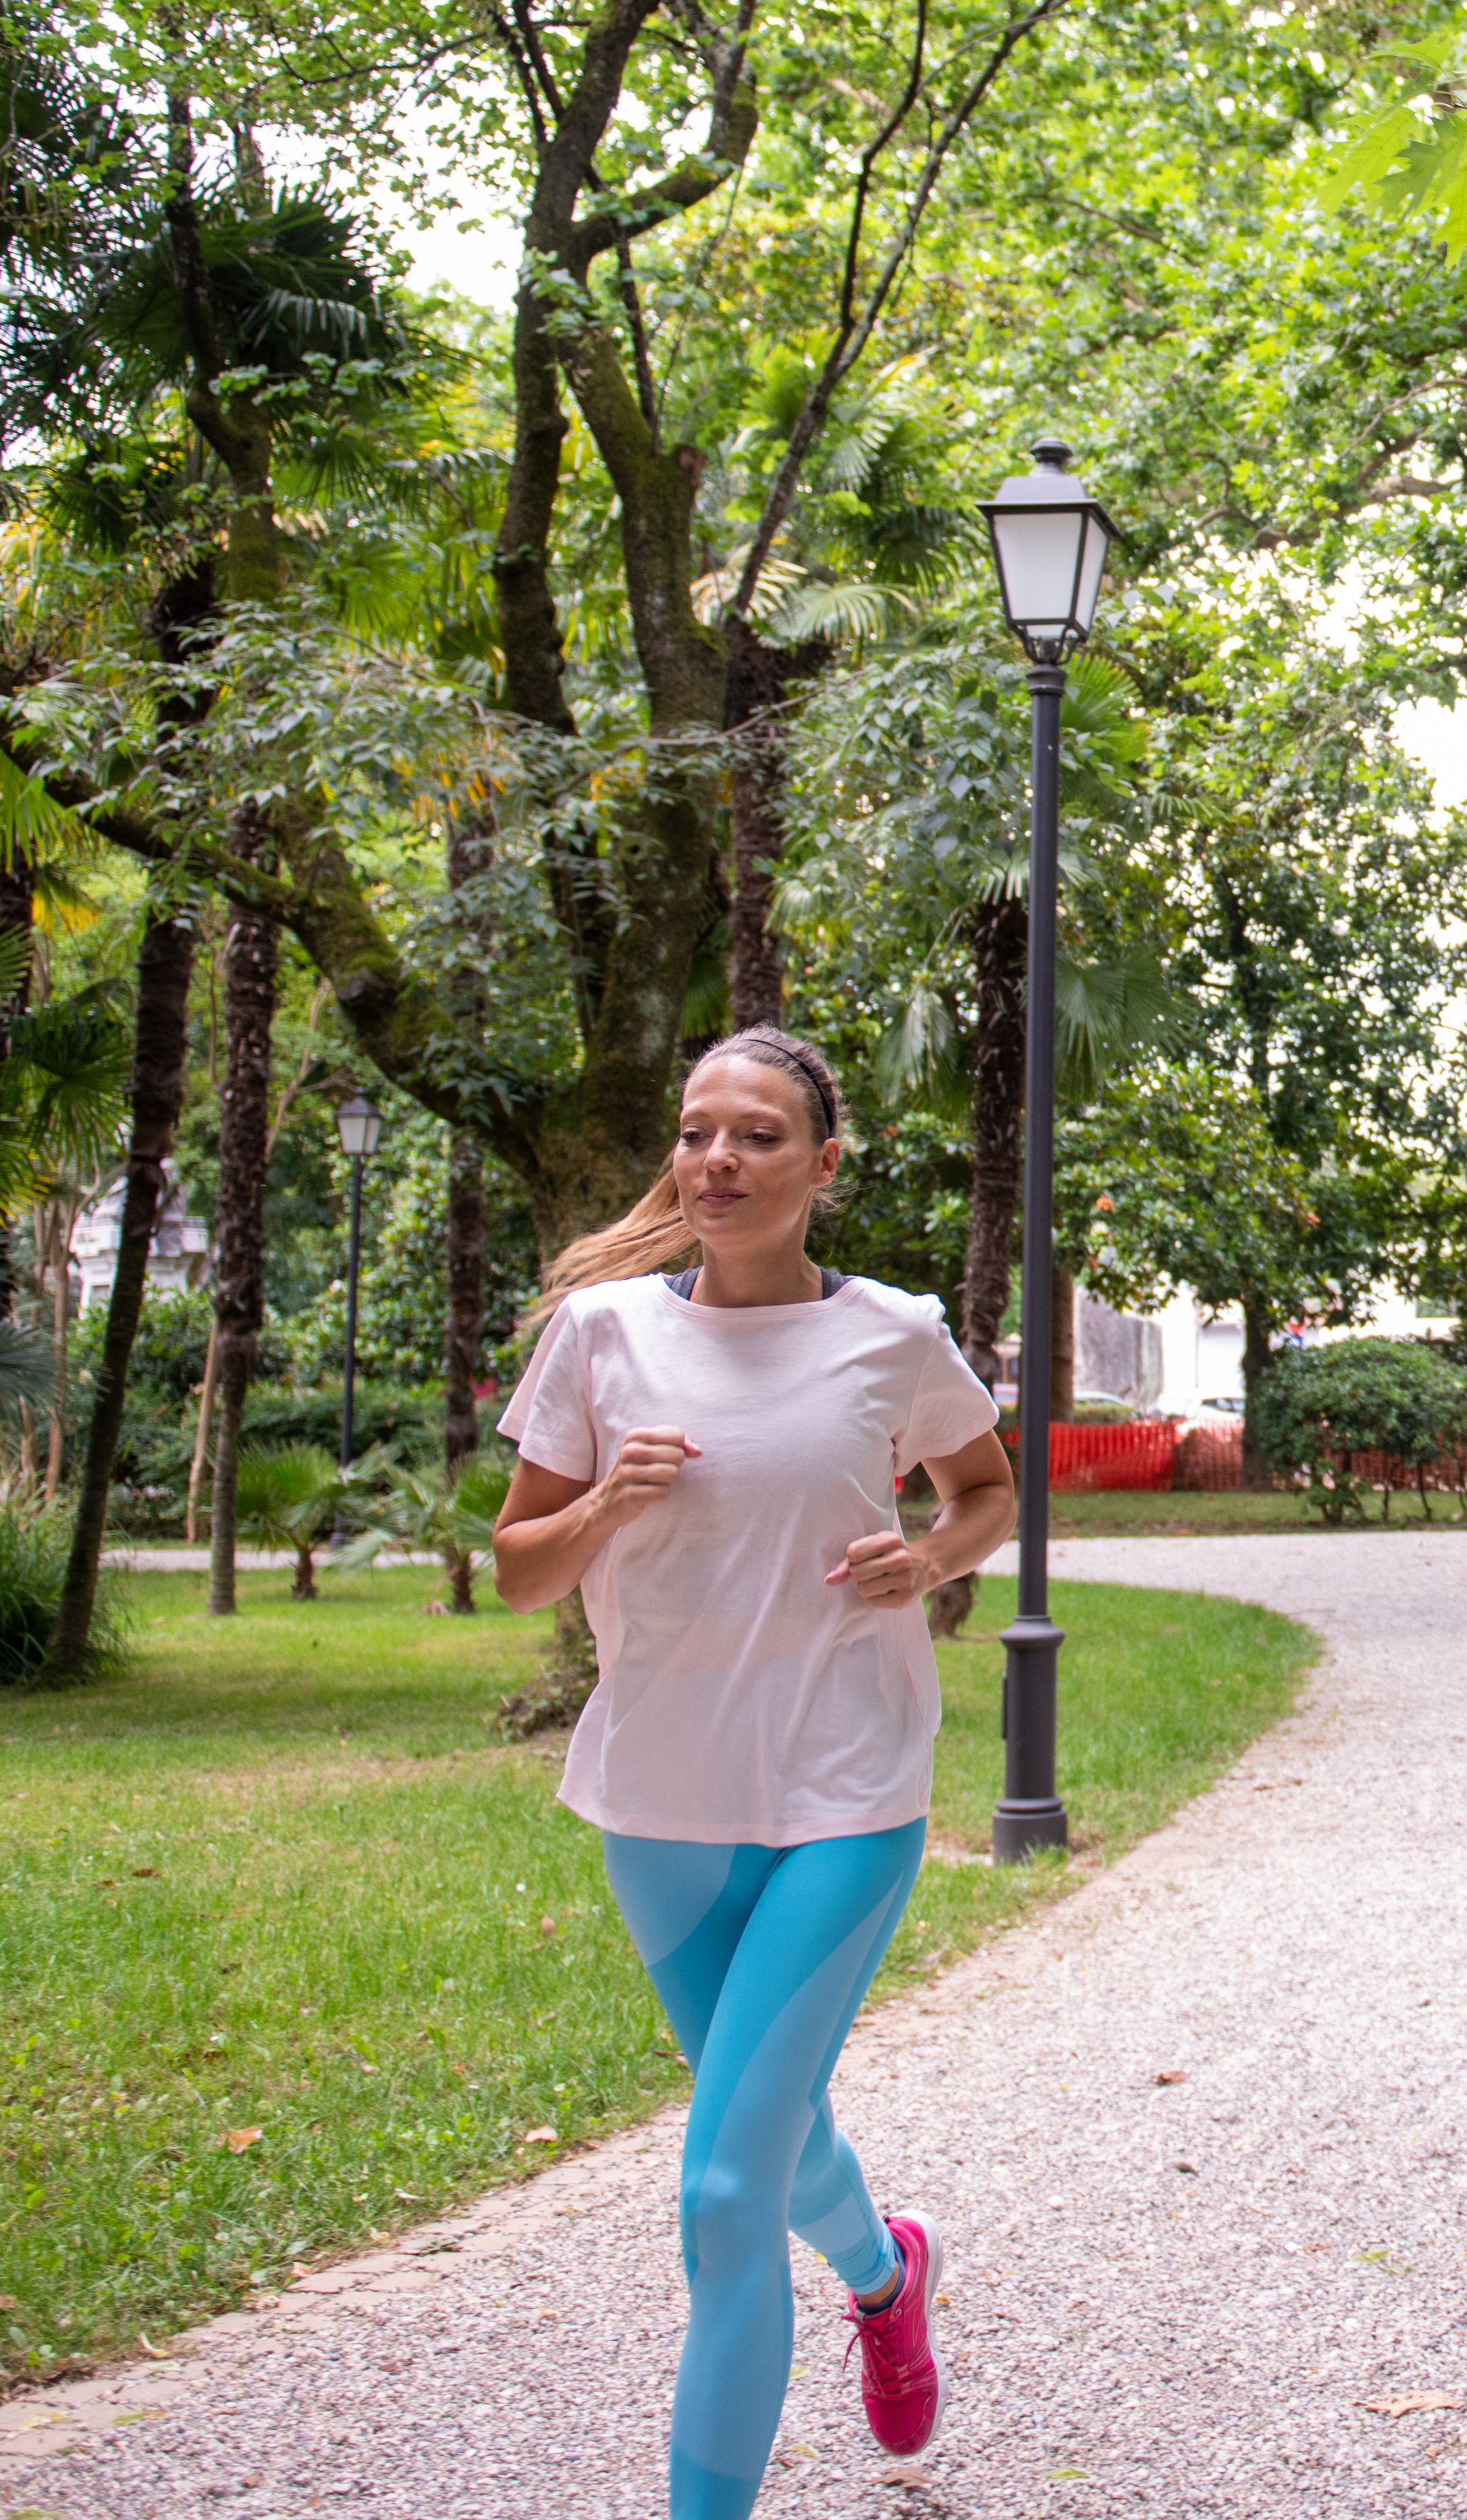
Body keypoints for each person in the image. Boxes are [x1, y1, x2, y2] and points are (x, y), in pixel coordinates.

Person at [493, 1026, 1017, 2520]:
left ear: (823, 1166)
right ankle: (885, 2267)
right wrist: (605, 1500)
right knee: (772, 2142)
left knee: (723, 2191)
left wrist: (925, 1558)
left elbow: (984, 1490)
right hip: (661, 1803)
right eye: (697, 1130)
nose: (716, 1159)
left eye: (758, 1136)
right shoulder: (601, 1334)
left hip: (846, 1791)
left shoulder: (894, 1332)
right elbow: (522, 1573)